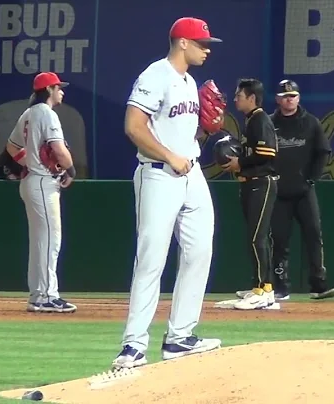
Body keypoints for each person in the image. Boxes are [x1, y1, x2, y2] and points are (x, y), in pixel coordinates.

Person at [112, 17, 223, 369]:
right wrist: (170, 155)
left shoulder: (190, 82)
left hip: (191, 174)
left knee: (199, 252)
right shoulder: (155, 75)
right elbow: (133, 126)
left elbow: (183, 135)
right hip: (158, 175)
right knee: (151, 259)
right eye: (202, 43)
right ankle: (133, 344)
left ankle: (179, 337)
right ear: (183, 43)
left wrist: (207, 132)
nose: (207, 49)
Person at [259, 79, 334, 300]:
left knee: (314, 235)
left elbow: (323, 151)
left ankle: (318, 284)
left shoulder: (310, 123)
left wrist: (311, 178)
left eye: (293, 96)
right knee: (279, 240)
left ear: (299, 98)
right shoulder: (268, 123)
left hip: (304, 192)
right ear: (277, 99)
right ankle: (281, 287)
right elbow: (259, 152)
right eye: (285, 96)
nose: (289, 99)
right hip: (278, 192)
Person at [5, 71, 77, 313]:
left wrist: (30, 162)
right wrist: (71, 169)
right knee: (49, 242)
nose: (61, 91)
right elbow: (58, 148)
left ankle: (38, 295)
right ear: (48, 90)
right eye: (58, 87)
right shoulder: (47, 114)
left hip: (31, 181)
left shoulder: (27, 114)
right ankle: (47, 296)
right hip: (43, 183)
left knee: (39, 242)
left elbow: (12, 146)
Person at [222, 78, 279, 310]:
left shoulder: (260, 120)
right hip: (250, 183)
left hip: (261, 183)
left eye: (239, 95)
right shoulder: (251, 120)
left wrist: (240, 161)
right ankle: (264, 287)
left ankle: (262, 289)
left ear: (252, 98)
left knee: (258, 237)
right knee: (258, 237)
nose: (236, 99)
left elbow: (268, 153)